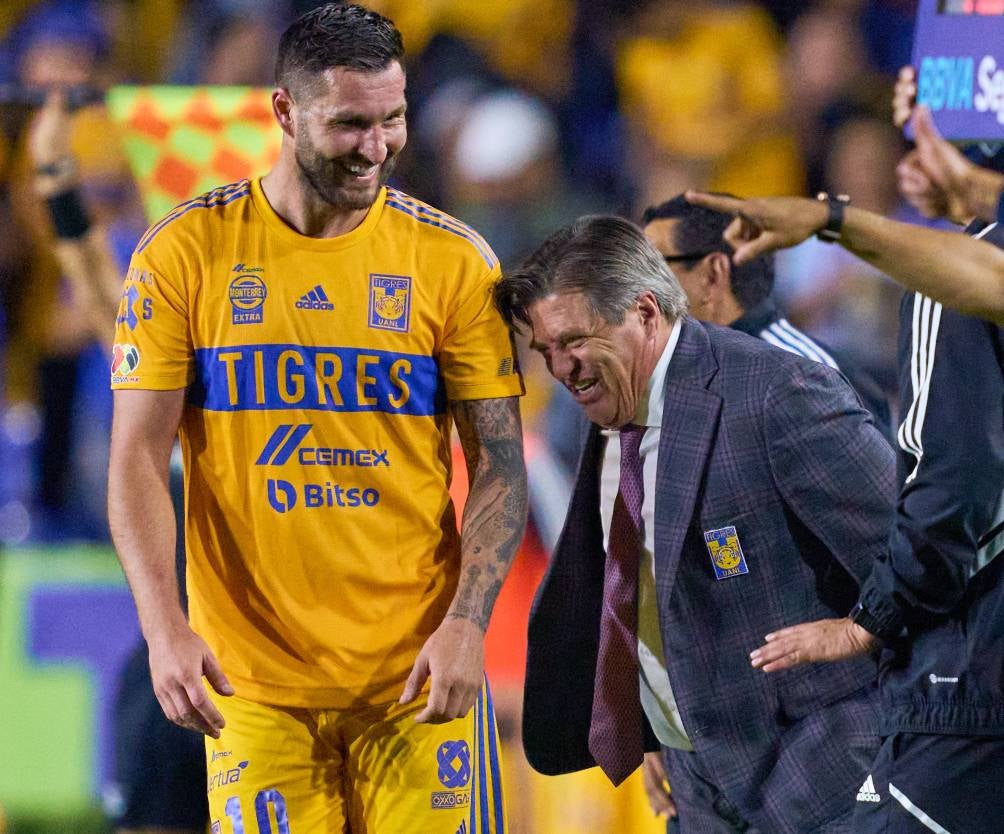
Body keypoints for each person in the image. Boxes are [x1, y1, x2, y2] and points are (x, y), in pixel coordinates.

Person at [106, 5, 527, 834]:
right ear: (284, 112)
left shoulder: (454, 263)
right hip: (252, 689)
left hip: (416, 682)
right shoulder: (184, 254)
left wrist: (468, 626)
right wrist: (164, 629)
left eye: (392, 119)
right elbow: (134, 460)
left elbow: (502, 465)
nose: (377, 147)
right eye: (350, 124)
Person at [494, 215, 896, 833]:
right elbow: (642, 585)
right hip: (697, 790)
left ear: (646, 311)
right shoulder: (605, 415)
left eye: (574, 340)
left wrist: (864, 628)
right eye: (545, 351)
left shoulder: (775, 390)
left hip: (826, 781)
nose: (562, 368)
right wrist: (649, 722)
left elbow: (917, 549)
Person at [693, 105, 1004, 834]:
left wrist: (874, 619)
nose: (904, 156)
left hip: (981, 679)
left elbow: (952, 487)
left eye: (917, 123)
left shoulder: (949, 290)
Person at [28, 88, 207, 834]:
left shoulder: (287, 373)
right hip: (175, 662)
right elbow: (91, 269)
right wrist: (51, 160)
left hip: (273, 665)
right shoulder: (155, 355)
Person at [684, 109, 1004, 325]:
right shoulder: (803, 248)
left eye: (875, 160)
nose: (867, 173)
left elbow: (992, 282)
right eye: (856, 161)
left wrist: (829, 219)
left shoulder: (943, 229)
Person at [642, 193, 891, 437]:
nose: (637, 288)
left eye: (652, 269)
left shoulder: (806, 380)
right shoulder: (670, 377)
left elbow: (879, 478)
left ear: (712, 275)